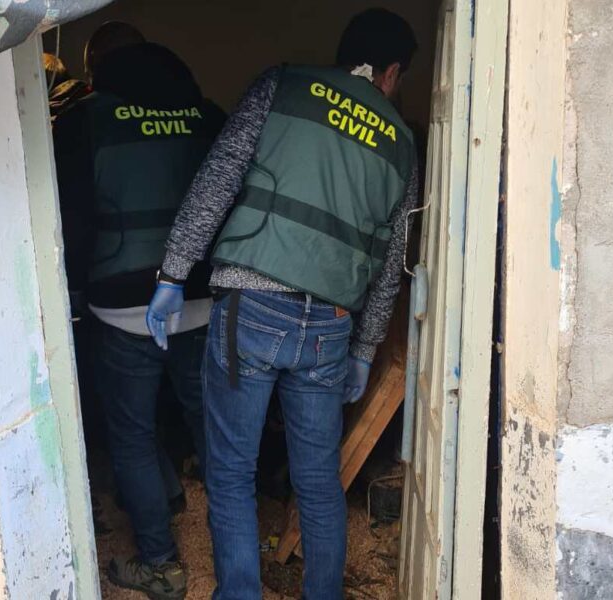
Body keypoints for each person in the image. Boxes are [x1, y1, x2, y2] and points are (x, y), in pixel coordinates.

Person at [146, 9, 420, 599]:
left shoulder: (283, 85)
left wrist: (174, 271)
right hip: (331, 325)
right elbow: (390, 263)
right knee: (319, 482)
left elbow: (218, 179)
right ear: (392, 72)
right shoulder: (402, 144)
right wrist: (366, 348)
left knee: (231, 471)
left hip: (252, 304)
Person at [53, 21, 227, 600]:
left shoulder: (83, 121)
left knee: (130, 434)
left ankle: (161, 565)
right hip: (200, 296)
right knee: (211, 426)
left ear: (96, 67)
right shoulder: (205, 113)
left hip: (122, 305)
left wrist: (74, 292)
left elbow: (71, 219)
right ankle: (233, 555)